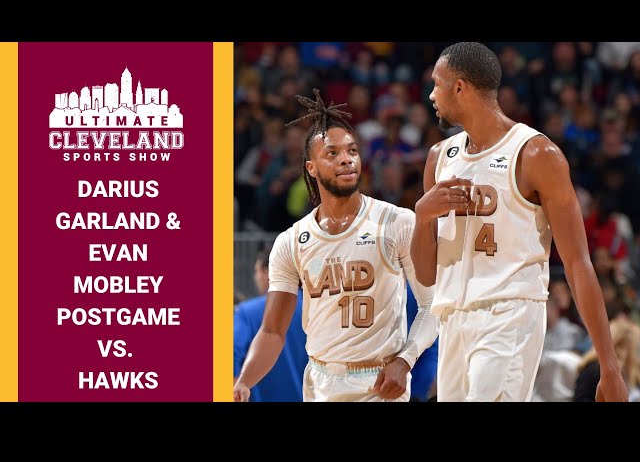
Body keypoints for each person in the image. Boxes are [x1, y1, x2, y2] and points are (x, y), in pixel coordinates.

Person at [410, 42, 628, 402]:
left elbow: (577, 263)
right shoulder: (439, 158)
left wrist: (610, 366)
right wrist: (422, 217)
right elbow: (426, 275)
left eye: (437, 84)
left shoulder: (536, 153)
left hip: (509, 314)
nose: (431, 94)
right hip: (452, 319)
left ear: (460, 87)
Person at [233, 89, 439, 402]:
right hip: (320, 382)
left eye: (352, 150)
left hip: (380, 382)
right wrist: (244, 381)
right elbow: (272, 332)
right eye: (332, 153)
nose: (346, 158)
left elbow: (431, 305)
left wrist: (405, 360)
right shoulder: (291, 241)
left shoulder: (396, 222)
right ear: (311, 168)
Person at [234, 247, 307, 402]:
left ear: (268, 273)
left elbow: (231, 355)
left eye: (257, 271)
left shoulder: (246, 313)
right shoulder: (315, 308)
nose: (256, 278)